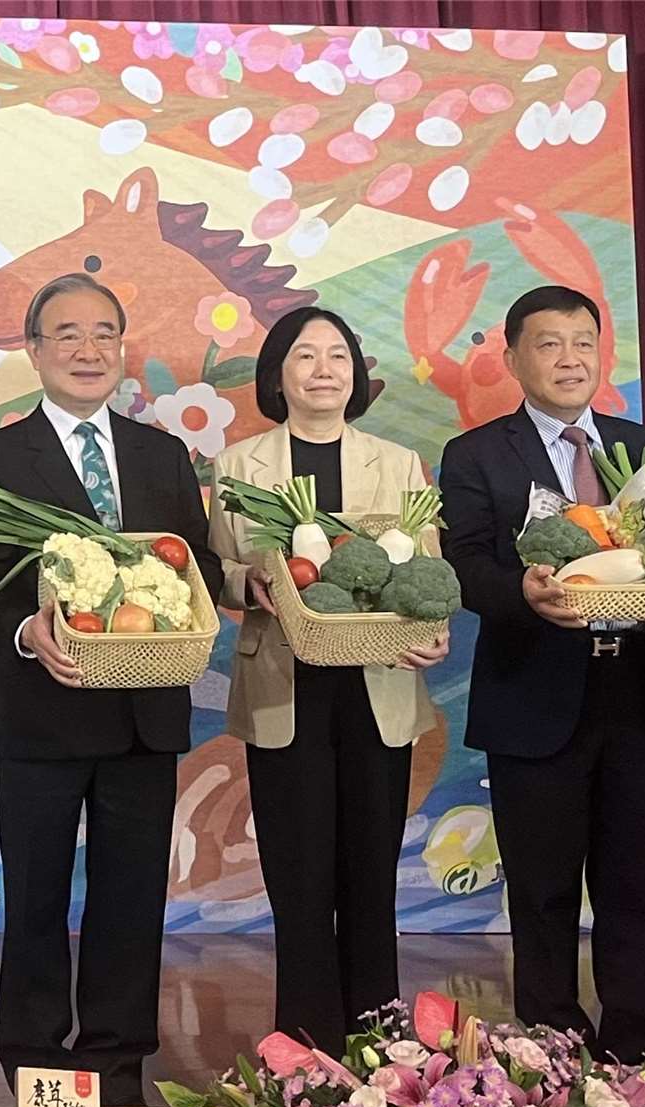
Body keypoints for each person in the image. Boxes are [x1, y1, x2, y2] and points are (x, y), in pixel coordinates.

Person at [0, 272, 222, 1107]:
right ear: (33, 351)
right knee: (34, 897)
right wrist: (28, 631)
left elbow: (196, 566)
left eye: (103, 333)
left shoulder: (159, 453)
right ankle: (35, 1068)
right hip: (44, 709)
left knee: (131, 900)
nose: (86, 350)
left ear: (122, 349)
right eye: (66, 334)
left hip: (146, 714)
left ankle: (118, 1065)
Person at [438, 285, 645, 1062]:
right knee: (543, 890)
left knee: (642, 889)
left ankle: (639, 1054)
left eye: (584, 340)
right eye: (549, 343)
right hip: (534, 694)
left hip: (639, 692)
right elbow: (464, 568)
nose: (570, 358)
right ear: (513, 358)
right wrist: (519, 591)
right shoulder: (477, 454)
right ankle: (548, 1058)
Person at [208, 306, 448, 1048]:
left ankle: (380, 1044)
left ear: (356, 374)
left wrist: (428, 633)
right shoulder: (238, 466)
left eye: (337, 355)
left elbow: (426, 572)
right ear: (277, 377)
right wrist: (248, 583)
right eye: (304, 356)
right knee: (300, 876)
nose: (322, 369)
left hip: (379, 683)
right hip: (286, 687)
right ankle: (304, 1045)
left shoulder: (399, 463)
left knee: (371, 874)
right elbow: (216, 573)